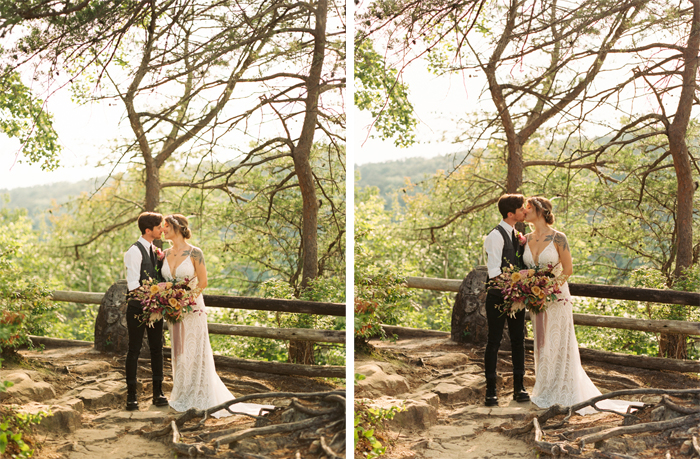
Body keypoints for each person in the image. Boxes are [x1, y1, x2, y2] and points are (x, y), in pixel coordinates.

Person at [524, 196, 641, 413]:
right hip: (536, 300)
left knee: (558, 341)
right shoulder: (525, 239)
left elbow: (567, 270)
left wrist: (547, 290)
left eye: (528, 207)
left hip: (557, 298)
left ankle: (564, 390)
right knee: (542, 342)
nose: (525, 211)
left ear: (539, 211)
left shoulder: (559, 238)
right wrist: (530, 290)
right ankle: (545, 389)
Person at [162, 214, 272, 417]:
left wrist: (183, 303)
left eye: (166, 226)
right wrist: (168, 302)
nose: (163, 229)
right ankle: (182, 394)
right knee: (179, 352)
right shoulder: (164, 254)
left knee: (194, 350)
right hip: (173, 311)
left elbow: (202, 283)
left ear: (176, 228)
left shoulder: (196, 253)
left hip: (192, 309)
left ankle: (200, 395)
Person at [482, 194, 531, 406]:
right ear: (511, 214)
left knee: (518, 340)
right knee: (494, 341)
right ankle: (490, 391)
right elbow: (493, 273)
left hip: (517, 297)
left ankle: (519, 388)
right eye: (522, 209)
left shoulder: (517, 234)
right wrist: (521, 277)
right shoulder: (495, 235)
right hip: (497, 296)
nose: (525, 211)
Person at [123, 212, 169, 411]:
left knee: (157, 349)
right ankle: (131, 395)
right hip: (137, 308)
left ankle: (158, 392)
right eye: (159, 227)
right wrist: (160, 289)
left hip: (155, 308)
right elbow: (133, 286)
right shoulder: (133, 251)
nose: (163, 229)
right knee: (134, 350)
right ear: (148, 230)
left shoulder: (155, 249)